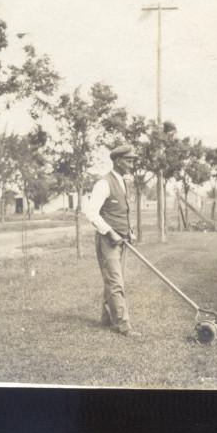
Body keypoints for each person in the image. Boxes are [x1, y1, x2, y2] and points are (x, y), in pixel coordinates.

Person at [83, 144, 139, 337]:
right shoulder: (104, 183)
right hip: (108, 242)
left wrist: (128, 231)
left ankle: (106, 319)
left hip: (122, 240)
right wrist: (110, 232)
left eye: (133, 160)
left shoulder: (124, 182)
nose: (132, 164)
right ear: (117, 161)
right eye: (128, 160)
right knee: (116, 282)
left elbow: (120, 212)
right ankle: (124, 325)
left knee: (115, 280)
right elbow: (90, 212)